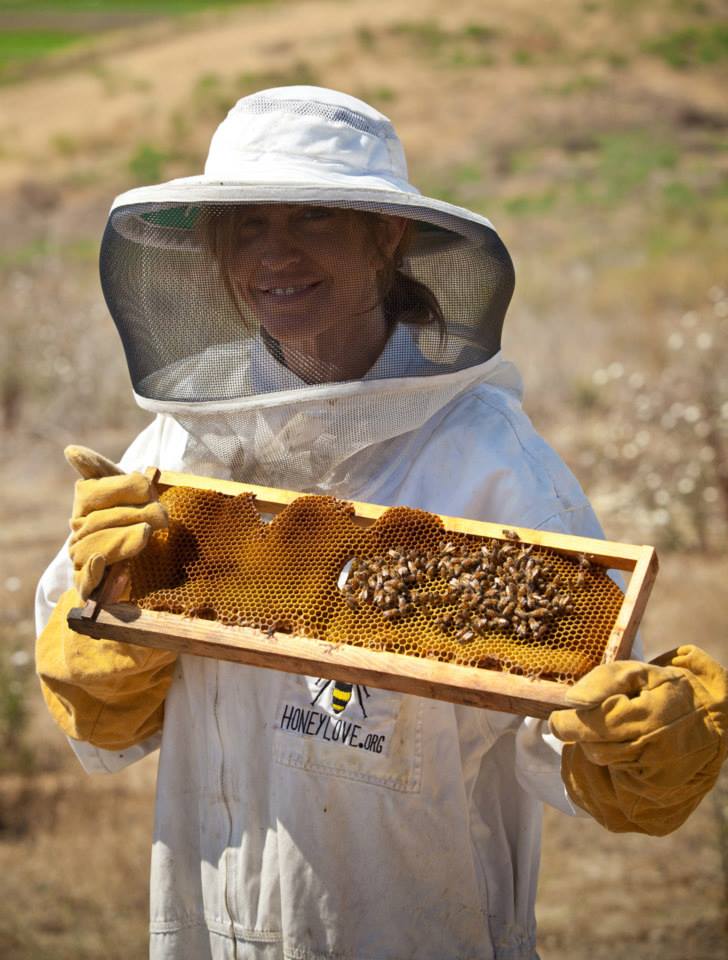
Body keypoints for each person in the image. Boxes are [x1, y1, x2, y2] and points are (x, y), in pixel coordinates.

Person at [35, 86, 727, 960]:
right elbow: (97, 710)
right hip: (210, 924)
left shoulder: (491, 464)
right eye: (247, 225)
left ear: (386, 236)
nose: (274, 252)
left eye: (313, 216)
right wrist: (106, 643)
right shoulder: (179, 447)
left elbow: (574, 732)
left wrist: (634, 748)